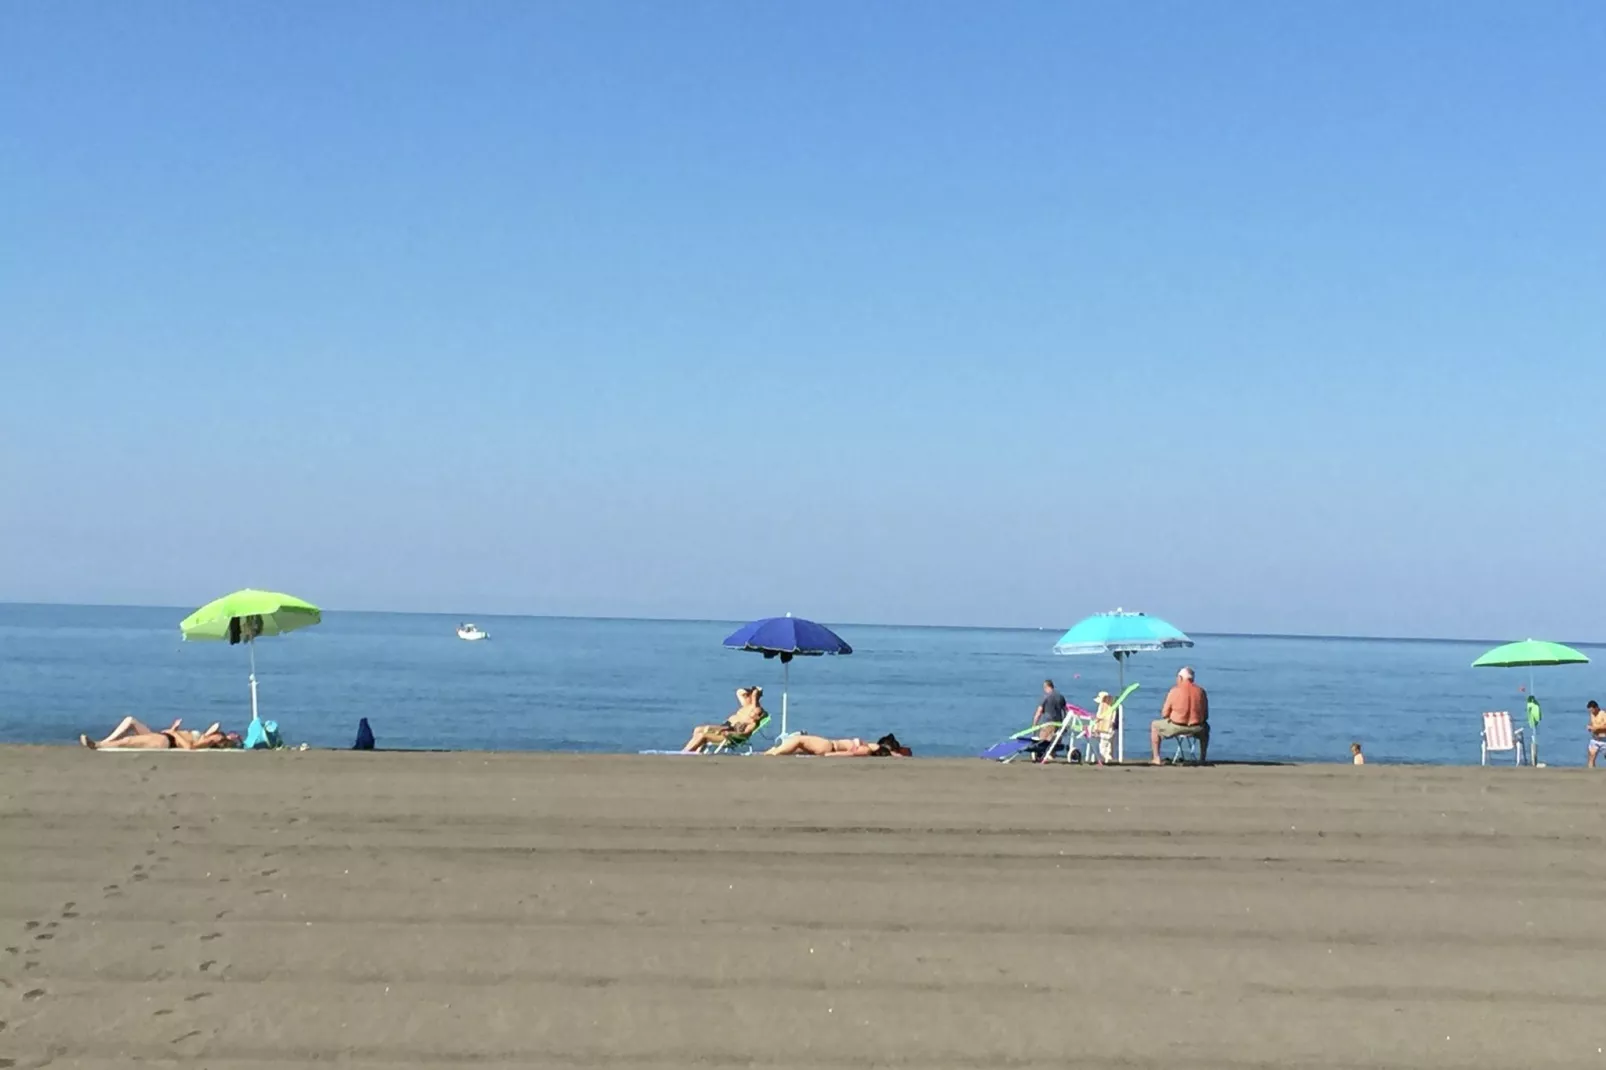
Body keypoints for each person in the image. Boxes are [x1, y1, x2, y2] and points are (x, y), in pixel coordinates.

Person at [1150, 666, 1209, 764]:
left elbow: (1164, 713)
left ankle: (1156, 758)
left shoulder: (1175, 691)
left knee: (1154, 725)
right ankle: (1202, 758)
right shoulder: (1201, 692)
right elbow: (1206, 715)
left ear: (1180, 678)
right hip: (1197, 728)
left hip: (1177, 726)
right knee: (1206, 728)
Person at [680, 687, 764, 752]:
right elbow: (739, 692)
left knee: (703, 735)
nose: (752, 713)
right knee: (698, 730)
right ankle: (693, 751)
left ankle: (686, 752)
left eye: (754, 713)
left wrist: (729, 733)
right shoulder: (747, 707)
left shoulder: (752, 723)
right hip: (727, 728)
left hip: (729, 737)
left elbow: (744, 734)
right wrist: (751, 690)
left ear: (758, 716)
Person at [80, 716, 229, 751]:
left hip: (165, 740)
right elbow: (216, 726)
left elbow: (188, 747)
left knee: (128, 741)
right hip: (164, 736)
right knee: (130, 720)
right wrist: (174, 729)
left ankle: (99, 745)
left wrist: (173, 732)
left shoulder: (212, 739)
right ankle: (104, 741)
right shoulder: (206, 736)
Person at [765, 732, 910, 757]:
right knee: (797, 746)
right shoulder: (869, 748)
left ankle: (774, 753)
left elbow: (850, 754)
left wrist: (829, 755)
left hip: (829, 746)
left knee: (798, 739)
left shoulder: (866, 750)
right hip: (829, 746)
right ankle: (774, 751)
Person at [1090, 691, 1118, 764]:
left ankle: (1108, 758)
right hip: (1112, 731)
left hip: (1105, 731)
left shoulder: (1103, 709)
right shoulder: (1113, 708)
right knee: (1109, 747)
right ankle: (1109, 759)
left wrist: (1094, 729)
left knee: (1102, 748)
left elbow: (1098, 719)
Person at [1587, 701, 1606, 768]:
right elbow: (1593, 723)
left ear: (1596, 708)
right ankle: (1591, 774)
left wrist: (1596, 728)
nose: (1591, 712)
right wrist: (1590, 727)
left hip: (1604, 740)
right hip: (1595, 739)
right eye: (1590, 711)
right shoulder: (1592, 714)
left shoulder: (1603, 714)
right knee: (1591, 757)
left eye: (1592, 710)